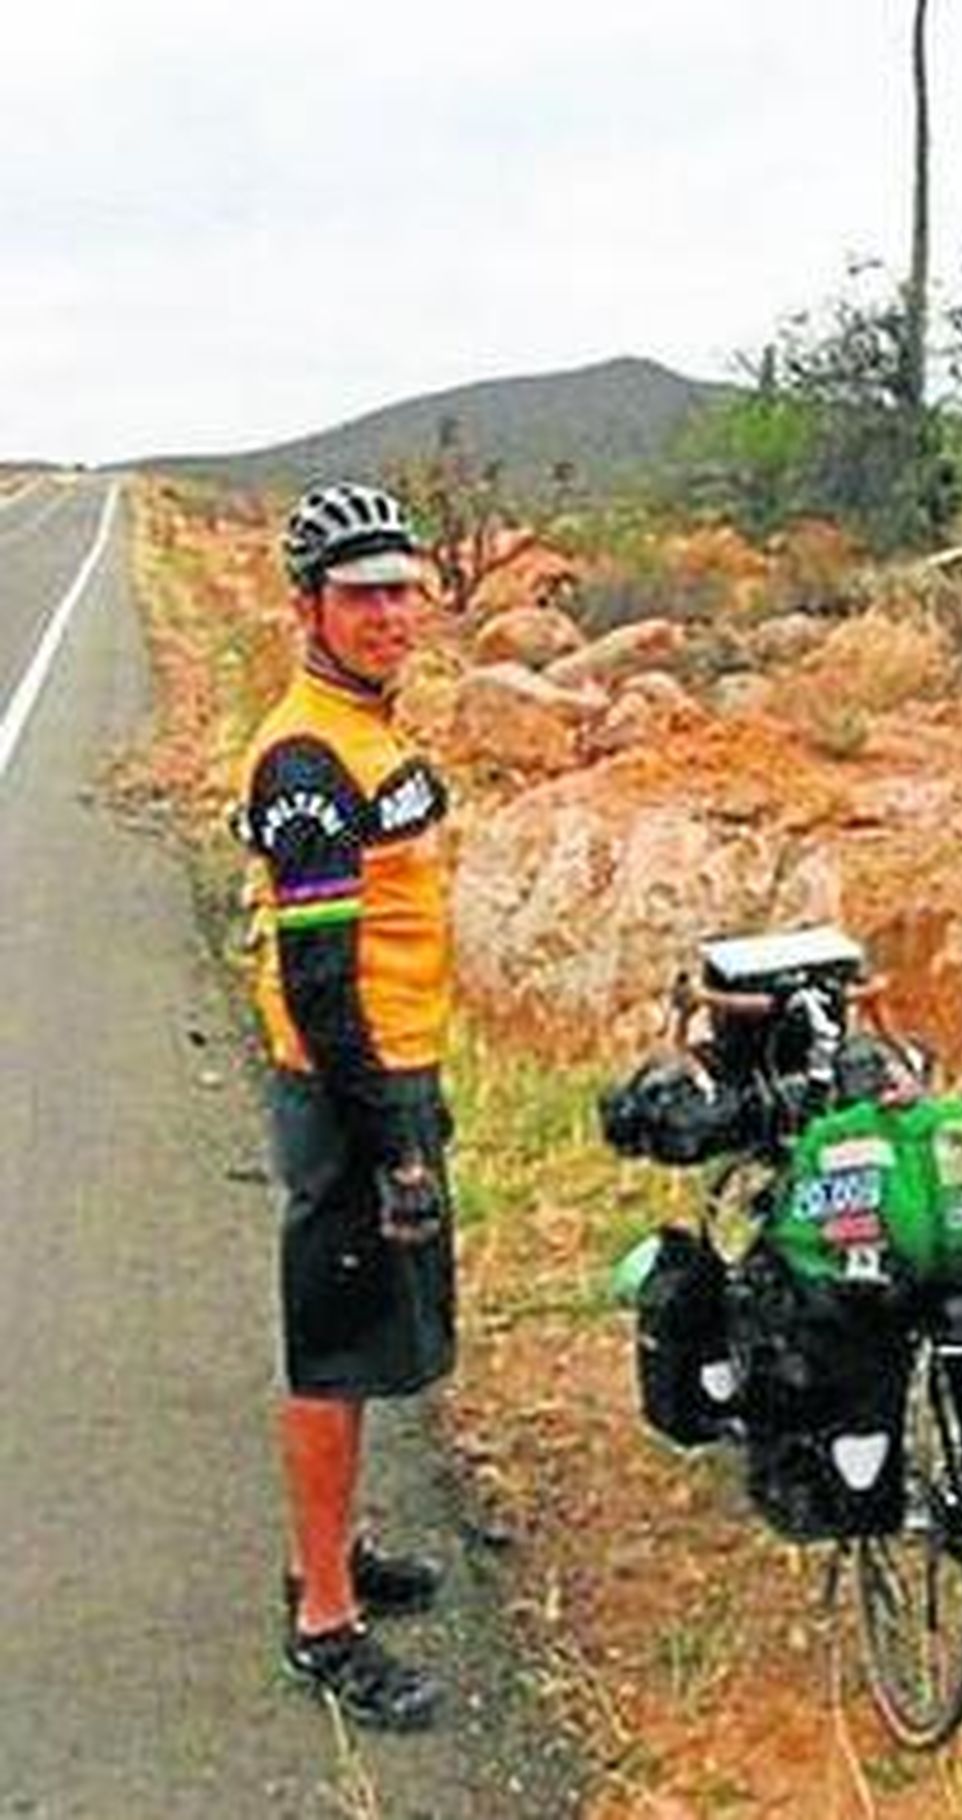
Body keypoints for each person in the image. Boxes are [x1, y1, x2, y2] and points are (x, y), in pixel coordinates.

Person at [236, 481, 456, 1732]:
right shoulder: (311, 756)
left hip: (392, 1069)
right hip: (348, 1087)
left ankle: (339, 1547)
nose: (392, 612)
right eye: (364, 592)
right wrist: (389, 1142)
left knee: (368, 1330)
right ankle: (324, 1618)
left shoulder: (368, 729)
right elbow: (321, 984)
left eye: (405, 586)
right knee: (332, 1344)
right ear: (308, 604)